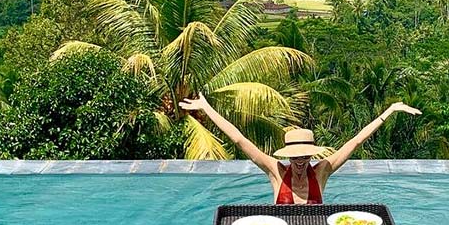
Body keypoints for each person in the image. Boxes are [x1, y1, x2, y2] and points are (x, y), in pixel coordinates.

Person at [178, 93, 421, 204]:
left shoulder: (322, 171)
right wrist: (206, 108)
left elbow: (355, 141)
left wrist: (389, 112)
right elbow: (240, 140)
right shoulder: (275, 171)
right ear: (288, 157)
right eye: (295, 157)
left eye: (304, 156)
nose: (300, 161)